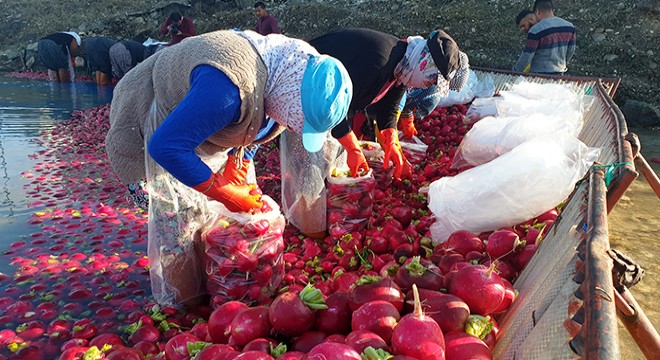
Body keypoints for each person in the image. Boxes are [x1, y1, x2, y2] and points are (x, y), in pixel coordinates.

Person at [105, 30, 352, 306]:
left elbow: (264, 124)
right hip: (148, 127)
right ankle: (184, 310)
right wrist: (223, 192)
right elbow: (165, 147)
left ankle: (207, 287)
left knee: (206, 223)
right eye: (298, 121)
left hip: (195, 127)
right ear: (292, 96)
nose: (295, 128)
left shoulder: (292, 69)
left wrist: (240, 160)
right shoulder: (231, 89)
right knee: (179, 228)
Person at [309, 28, 468, 179]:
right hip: (302, 84)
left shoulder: (403, 65)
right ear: (425, 63)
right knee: (309, 167)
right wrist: (353, 148)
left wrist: (391, 144)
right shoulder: (379, 63)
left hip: (318, 96)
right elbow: (332, 107)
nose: (429, 84)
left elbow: (389, 109)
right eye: (433, 78)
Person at [512, 0, 576, 75]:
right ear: (552, 9)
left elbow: (527, 56)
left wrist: (515, 71)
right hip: (560, 73)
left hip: (539, 74)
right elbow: (571, 51)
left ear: (537, 11)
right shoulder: (570, 27)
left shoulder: (536, 30)